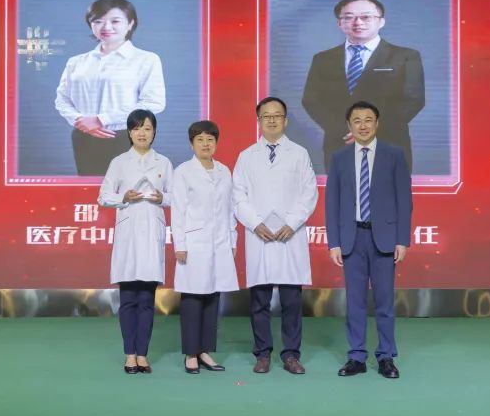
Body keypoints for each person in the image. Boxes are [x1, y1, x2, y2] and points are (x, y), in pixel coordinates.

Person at [325, 101, 412, 380]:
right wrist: (334, 242)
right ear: (349, 125)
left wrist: (402, 239)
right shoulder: (339, 158)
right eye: (357, 120)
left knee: (384, 302)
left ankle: (386, 356)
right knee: (355, 302)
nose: (363, 125)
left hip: (384, 239)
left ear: (377, 123)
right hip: (352, 238)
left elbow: (404, 200)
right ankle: (357, 356)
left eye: (368, 120)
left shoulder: (394, 155)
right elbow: (332, 203)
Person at [232, 96, 317, 375]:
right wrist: (255, 223)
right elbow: (238, 195)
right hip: (260, 234)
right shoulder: (246, 156)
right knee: (260, 301)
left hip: (289, 234)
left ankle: (291, 354)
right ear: (258, 121)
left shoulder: (299, 154)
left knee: (292, 301)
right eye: (266, 116)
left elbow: (309, 192)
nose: (271, 120)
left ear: (285, 120)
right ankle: (263, 353)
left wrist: (292, 223)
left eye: (277, 115)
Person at [301, 0, 424, 174]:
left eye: (366, 17)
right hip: (340, 142)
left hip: (389, 142)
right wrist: (343, 129)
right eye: (349, 17)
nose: (358, 22)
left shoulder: (405, 57)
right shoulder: (323, 59)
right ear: (339, 23)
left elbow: (413, 100)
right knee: (343, 190)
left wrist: (371, 130)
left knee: (388, 190)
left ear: (381, 21)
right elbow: (312, 100)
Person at [55, 0, 166, 175]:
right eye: (98, 21)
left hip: (125, 137)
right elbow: (62, 99)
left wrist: (101, 119)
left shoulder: (146, 59)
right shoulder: (76, 62)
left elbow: (154, 103)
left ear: (130, 24)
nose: (106, 27)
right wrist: (80, 121)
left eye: (115, 21)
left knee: (127, 188)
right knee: (89, 187)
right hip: (84, 136)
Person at [98, 109, 173, 374]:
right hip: (128, 235)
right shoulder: (119, 162)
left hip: (152, 232)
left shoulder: (164, 163)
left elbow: (176, 197)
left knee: (147, 300)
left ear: (154, 132)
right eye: (137, 128)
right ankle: (130, 354)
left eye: (147, 128)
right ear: (129, 132)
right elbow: (103, 196)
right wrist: (124, 197)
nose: (142, 133)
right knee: (129, 299)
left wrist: (162, 198)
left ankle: (143, 354)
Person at [171, 121, 239, 374]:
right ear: (192, 144)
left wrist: (232, 239)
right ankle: (191, 353)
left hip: (220, 241)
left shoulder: (224, 171)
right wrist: (180, 244)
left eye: (210, 139)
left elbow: (230, 209)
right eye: (200, 139)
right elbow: (178, 210)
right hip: (194, 243)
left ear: (216, 143)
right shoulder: (183, 171)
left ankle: (205, 351)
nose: (205, 144)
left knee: (212, 296)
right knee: (192, 297)